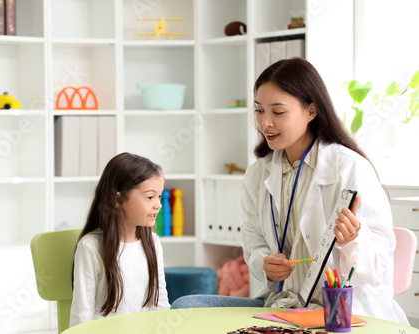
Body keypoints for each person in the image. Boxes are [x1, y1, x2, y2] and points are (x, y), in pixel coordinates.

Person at [173, 57, 409, 325]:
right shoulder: (258, 173)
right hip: (284, 306)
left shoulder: (350, 168)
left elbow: (381, 266)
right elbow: (253, 245)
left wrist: (353, 240)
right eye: (259, 110)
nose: (265, 123)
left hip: (338, 311)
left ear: (311, 111)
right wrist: (265, 263)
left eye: (278, 112)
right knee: (186, 305)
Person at [69, 152, 170, 326]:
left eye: (159, 196)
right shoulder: (91, 247)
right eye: (150, 197)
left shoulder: (153, 243)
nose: (158, 204)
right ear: (118, 199)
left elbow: (159, 304)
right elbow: (82, 314)